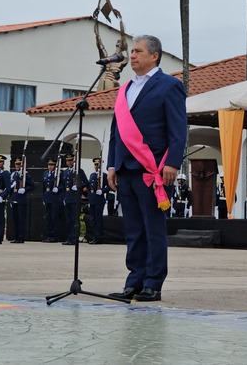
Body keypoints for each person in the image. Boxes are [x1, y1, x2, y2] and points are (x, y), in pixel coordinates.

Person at [107, 34, 187, 302]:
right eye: (131, 51)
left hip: (152, 168)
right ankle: (135, 280)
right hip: (125, 168)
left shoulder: (169, 86)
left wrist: (173, 163)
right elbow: (116, 131)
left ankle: (153, 282)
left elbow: (178, 129)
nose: (132, 56)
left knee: (153, 228)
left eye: (138, 51)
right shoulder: (125, 88)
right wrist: (111, 165)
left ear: (154, 56)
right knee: (133, 229)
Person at [61, 153, 88, 246]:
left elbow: (86, 183)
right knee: (68, 220)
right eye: (68, 161)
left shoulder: (78, 171)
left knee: (75, 219)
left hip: (75, 198)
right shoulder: (65, 172)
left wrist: (79, 187)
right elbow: (62, 186)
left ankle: (74, 238)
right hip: (67, 198)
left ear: (74, 161)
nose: (69, 162)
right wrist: (63, 197)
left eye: (71, 160)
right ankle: (70, 237)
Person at [9, 158, 35, 243]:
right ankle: (16, 237)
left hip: (21, 200)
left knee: (21, 220)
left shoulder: (25, 175)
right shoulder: (13, 174)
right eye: (16, 164)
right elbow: (10, 189)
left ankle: (20, 238)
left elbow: (32, 186)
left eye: (19, 164)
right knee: (15, 220)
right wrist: (11, 199)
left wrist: (25, 189)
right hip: (14, 199)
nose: (17, 166)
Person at [42, 158, 64, 242]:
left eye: (52, 165)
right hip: (47, 197)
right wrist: (43, 197)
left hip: (55, 198)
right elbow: (43, 187)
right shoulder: (45, 173)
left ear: (55, 166)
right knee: (48, 218)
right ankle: (49, 235)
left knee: (54, 217)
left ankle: (54, 236)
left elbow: (63, 185)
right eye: (49, 165)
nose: (50, 167)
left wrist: (58, 188)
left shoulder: (58, 174)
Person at [88, 157, 109, 243]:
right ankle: (93, 236)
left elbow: (109, 187)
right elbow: (90, 188)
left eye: (98, 164)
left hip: (99, 200)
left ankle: (99, 237)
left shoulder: (104, 175)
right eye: (95, 164)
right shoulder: (92, 175)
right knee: (93, 219)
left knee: (98, 219)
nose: (96, 166)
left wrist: (102, 191)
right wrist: (89, 200)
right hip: (92, 199)